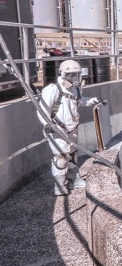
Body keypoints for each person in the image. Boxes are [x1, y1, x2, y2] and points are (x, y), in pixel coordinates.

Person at [37, 59, 103, 196]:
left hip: (72, 127)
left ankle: (74, 179)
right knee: (61, 158)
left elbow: (79, 101)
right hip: (57, 129)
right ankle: (60, 186)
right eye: (70, 75)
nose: (73, 78)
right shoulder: (52, 90)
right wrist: (48, 125)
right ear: (62, 74)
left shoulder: (76, 89)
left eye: (76, 75)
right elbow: (42, 110)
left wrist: (93, 101)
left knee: (72, 154)